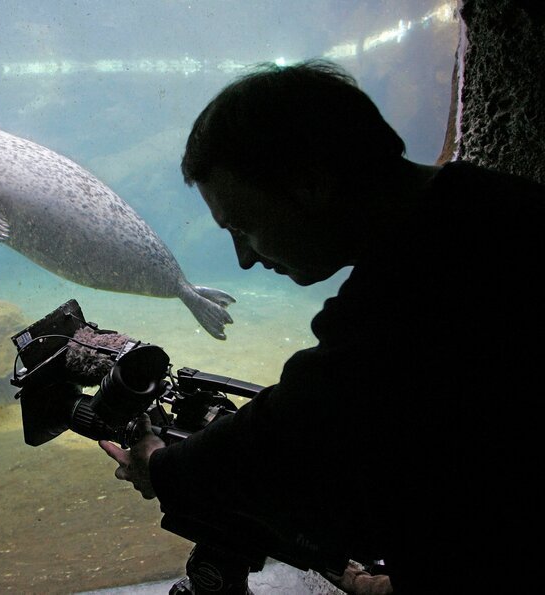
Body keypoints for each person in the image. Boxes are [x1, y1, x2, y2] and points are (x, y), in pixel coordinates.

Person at [99, 59, 545, 594]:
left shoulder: (422, 283)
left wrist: (162, 466)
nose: (243, 258)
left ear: (311, 185)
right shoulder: (490, 207)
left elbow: (296, 428)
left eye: (242, 227)